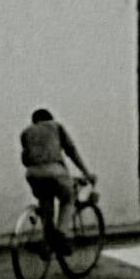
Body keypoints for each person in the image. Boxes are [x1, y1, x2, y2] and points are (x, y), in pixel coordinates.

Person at [20, 108, 96, 254]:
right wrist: (86, 173)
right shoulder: (56, 126)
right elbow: (71, 151)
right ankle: (60, 235)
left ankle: (47, 243)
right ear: (50, 118)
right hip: (55, 172)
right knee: (68, 199)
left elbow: (25, 159)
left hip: (33, 174)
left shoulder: (26, 132)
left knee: (46, 203)